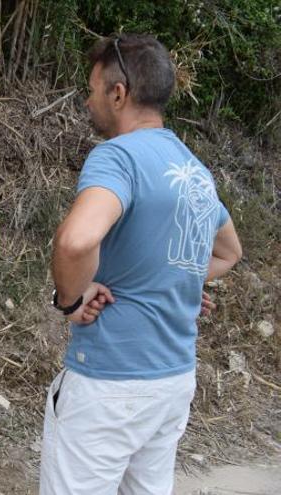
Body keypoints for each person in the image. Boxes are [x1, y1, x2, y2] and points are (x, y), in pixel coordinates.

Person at [41, 34, 242, 494]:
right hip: (173, 379)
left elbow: (75, 241)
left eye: (92, 89)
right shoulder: (195, 169)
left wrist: (70, 300)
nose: (87, 100)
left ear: (119, 93)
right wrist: (178, 278)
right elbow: (229, 252)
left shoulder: (117, 157)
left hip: (110, 381)